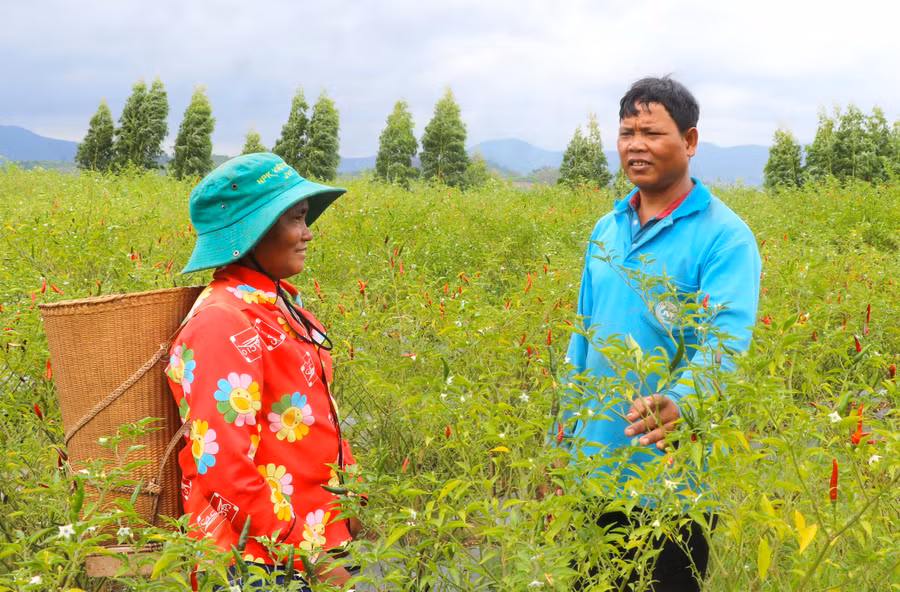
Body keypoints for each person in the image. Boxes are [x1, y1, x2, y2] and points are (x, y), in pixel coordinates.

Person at [563, 76, 761, 590]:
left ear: (690, 141)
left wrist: (680, 399)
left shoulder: (725, 237)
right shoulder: (607, 229)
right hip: (591, 469)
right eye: (627, 132)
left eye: (651, 132)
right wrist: (561, 433)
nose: (635, 145)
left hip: (670, 482)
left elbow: (726, 343)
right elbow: (582, 335)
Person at [165, 153, 358, 589]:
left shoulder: (276, 304)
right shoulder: (222, 322)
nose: (308, 234)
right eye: (296, 219)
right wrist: (304, 556)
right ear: (253, 231)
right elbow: (223, 467)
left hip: (309, 535)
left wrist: (350, 506)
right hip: (258, 559)